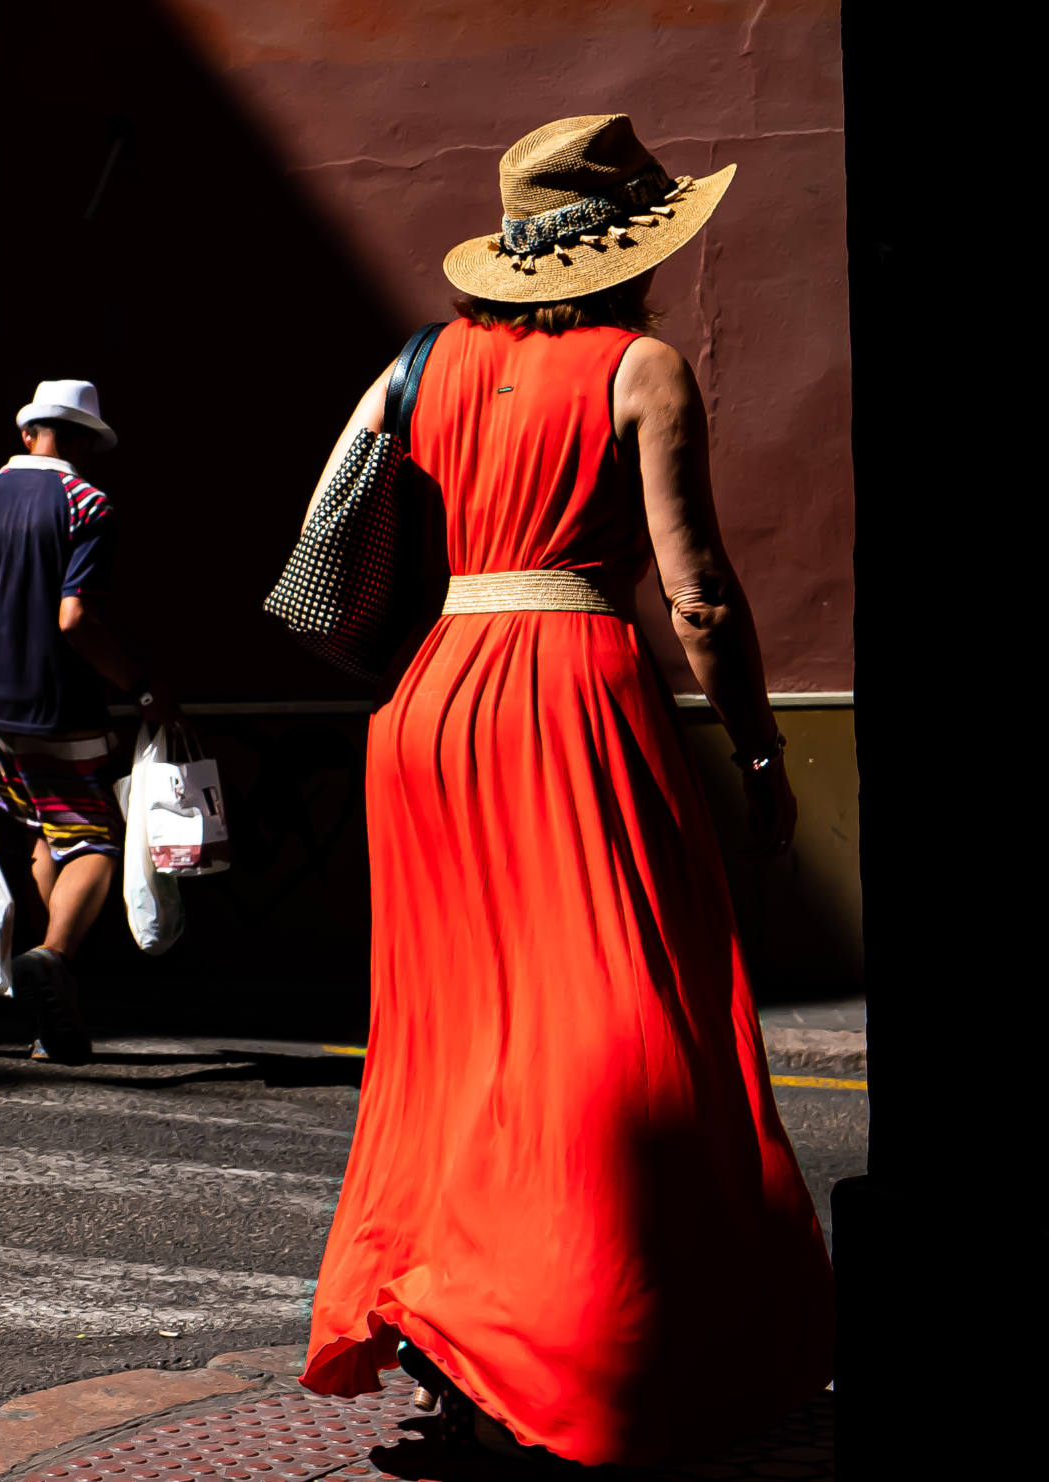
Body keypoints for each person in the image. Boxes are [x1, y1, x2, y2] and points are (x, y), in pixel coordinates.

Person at [296, 115, 832, 1466]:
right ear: (634, 249)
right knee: (619, 1033)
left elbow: (316, 539)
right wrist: (761, 752)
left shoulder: (415, 362)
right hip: (566, 696)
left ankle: (453, 1328)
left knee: (455, 1040)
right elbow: (698, 593)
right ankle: (596, 1338)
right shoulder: (643, 368)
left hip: (429, 707)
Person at [0, 380, 176, 1064]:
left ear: (28, 432)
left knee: (48, 832)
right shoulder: (88, 504)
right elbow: (76, 619)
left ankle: (52, 1016)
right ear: (81, 440)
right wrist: (143, 685)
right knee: (95, 841)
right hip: (63, 711)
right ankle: (54, 956)